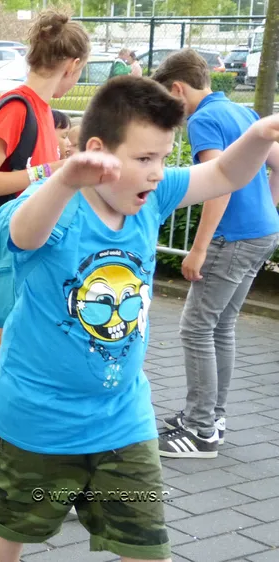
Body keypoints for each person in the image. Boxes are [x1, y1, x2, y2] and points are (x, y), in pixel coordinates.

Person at [0, 74, 279, 562]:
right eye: (144, 159)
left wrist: (260, 135)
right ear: (99, 151)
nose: (157, 172)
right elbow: (24, 235)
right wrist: (65, 180)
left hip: (122, 418)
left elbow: (225, 174)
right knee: (13, 524)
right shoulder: (56, 205)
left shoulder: (150, 198)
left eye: (163, 157)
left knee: (145, 542)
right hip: (39, 419)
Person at [0, 10, 88, 505]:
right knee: (4, 363)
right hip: (4, 260)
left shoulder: (39, 108)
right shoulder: (19, 106)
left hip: (28, 258)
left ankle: (23, 468)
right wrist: (50, 171)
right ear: (73, 65)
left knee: (27, 363)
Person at [152, 49, 279, 459]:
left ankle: (200, 430)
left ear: (177, 89)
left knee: (196, 329)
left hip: (232, 238)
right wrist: (267, 208)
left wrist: (199, 248)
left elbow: (218, 184)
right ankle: (210, 416)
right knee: (221, 327)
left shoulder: (203, 119)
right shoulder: (243, 112)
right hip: (262, 232)